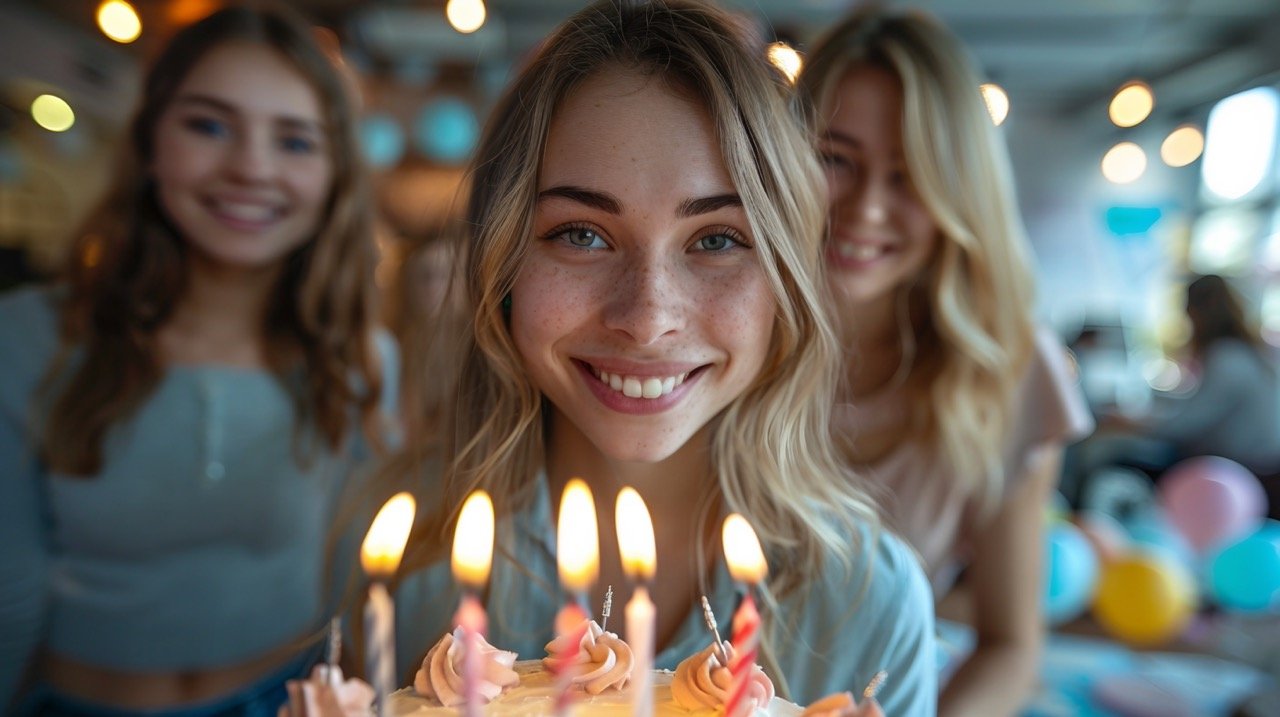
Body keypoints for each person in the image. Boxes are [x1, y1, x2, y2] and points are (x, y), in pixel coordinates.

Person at [370, 1, 936, 715]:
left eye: (717, 239)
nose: (646, 318)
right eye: (581, 233)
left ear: (787, 282)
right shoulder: (403, 557)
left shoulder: (868, 605)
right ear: (503, 265)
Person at [0, 5, 397, 714]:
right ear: (150, 142)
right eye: (208, 125)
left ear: (335, 174)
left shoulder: (362, 359)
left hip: (289, 698)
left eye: (296, 141)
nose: (251, 167)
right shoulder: (26, 336)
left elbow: (355, 584)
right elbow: (10, 591)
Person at [796, 8, 1093, 716]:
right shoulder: (722, 328)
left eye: (910, 176)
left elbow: (1009, 644)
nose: (867, 209)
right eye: (836, 159)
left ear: (959, 191)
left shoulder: (1011, 372)